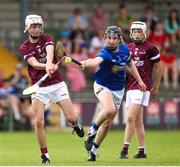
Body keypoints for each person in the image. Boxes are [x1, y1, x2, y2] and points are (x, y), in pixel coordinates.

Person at [19, 14, 84, 164]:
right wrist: (46, 67)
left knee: (71, 117)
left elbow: (50, 52)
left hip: (56, 84)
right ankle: (45, 156)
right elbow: (34, 63)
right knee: (39, 122)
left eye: (38, 26)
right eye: (33, 26)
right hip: (38, 87)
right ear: (27, 28)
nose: (36, 29)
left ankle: (75, 124)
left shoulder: (47, 37)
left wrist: (49, 63)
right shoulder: (24, 47)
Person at [80, 26, 146, 161]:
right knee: (109, 109)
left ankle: (92, 151)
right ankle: (91, 132)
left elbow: (130, 64)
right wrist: (85, 63)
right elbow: (94, 61)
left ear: (119, 39)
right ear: (105, 38)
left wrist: (139, 80)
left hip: (119, 89)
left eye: (114, 38)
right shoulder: (105, 53)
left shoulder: (124, 50)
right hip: (102, 86)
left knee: (107, 124)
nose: (111, 41)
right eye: (109, 38)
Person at [119, 21, 162, 159]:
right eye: (135, 31)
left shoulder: (151, 48)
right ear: (131, 33)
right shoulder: (128, 48)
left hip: (142, 88)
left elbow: (159, 68)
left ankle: (124, 149)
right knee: (138, 122)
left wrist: (155, 87)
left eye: (139, 31)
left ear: (144, 33)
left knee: (130, 117)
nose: (137, 34)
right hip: (130, 87)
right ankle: (142, 151)